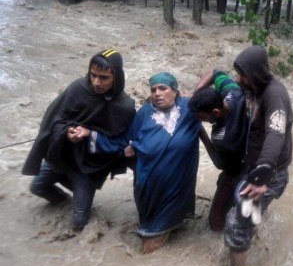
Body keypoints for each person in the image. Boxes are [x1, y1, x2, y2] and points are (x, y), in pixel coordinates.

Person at [87, 72, 201, 253]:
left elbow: (217, 96)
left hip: (179, 184)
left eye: (163, 88)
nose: (157, 93)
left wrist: (197, 91)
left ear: (175, 91)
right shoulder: (144, 113)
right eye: (153, 89)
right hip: (149, 187)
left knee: (151, 246)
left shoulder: (190, 108)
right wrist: (89, 135)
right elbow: (124, 140)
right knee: (148, 239)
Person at [22, 49, 136, 231]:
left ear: (117, 77)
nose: (97, 82)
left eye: (104, 77)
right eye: (93, 75)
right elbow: (54, 119)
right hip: (63, 156)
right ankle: (65, 202)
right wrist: (67, 131)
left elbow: (123, 142)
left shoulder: (125, 106)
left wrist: (89, 134)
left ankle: (79, 203)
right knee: (37, 187)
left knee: (80, 223)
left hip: (88, 167)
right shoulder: (78, 88)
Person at [225, 45, 293, 266]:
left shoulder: (275, 95)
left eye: (243, 74)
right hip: (254, 168)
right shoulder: (253, 88)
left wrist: (262, 173)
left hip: (268, 174)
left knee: (237, 224)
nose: (239, 79)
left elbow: (276, 133)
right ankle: (253, 233)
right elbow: (219, 78)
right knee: (250, 214)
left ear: (256, 73)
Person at [188, 70, 248, 232]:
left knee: (215, 221)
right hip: (249, 152)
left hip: (237, 167)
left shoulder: (225, 138)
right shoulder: (232, 93)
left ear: (215, 112)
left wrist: (202, 133)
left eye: (202, 118)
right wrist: (197, 93)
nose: (201, 121)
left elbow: (219, 163)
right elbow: (215, 73)